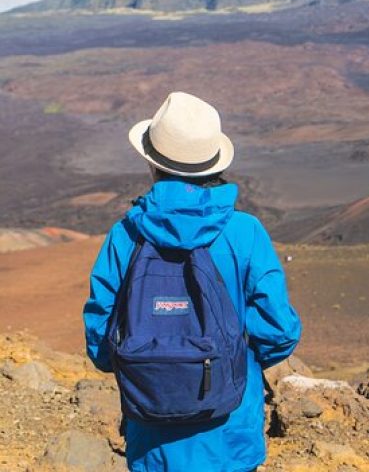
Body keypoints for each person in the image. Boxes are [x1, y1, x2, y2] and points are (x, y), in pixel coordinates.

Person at [83, 91, 302, 472]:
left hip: (153, 442)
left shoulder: (125, 235)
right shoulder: (245, 232)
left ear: (152, 164)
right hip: (231, 437)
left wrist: (153, 368)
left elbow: (100, 340)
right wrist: (229, 361)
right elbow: (279, 330)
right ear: (212, 165)